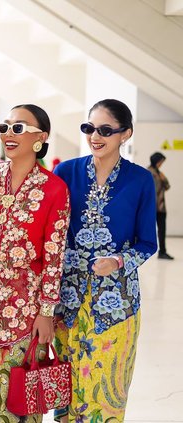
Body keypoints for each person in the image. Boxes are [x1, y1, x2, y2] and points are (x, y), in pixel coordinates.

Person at [53, 99, 158, 422]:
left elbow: (147, 243)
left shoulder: (140, 180)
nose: (95, 136)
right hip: (67, 302)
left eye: (105, 130)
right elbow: (51, 231)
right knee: (67, 389)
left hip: (117, 305)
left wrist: (117, 260)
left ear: (125, 134)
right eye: (89, 128)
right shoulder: (66, 172)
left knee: (106, 391)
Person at [0, 104, 70, 422]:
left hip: (23, 315)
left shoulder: (54, 189)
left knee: (16, 402)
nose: (9, 134)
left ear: (41, 137)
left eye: (19, 128)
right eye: (5, 127)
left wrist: (46, 313)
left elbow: (54, 255)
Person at [148, 152, 173, 260]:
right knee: (145, 229)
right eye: (161, 161)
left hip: (161, 207)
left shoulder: (159, 173)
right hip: (151, 207)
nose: (161, 164)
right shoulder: (149, 172)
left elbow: (167, 187)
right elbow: (152, 191)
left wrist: (163, 178)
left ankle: (162, 251)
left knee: (162, 230)